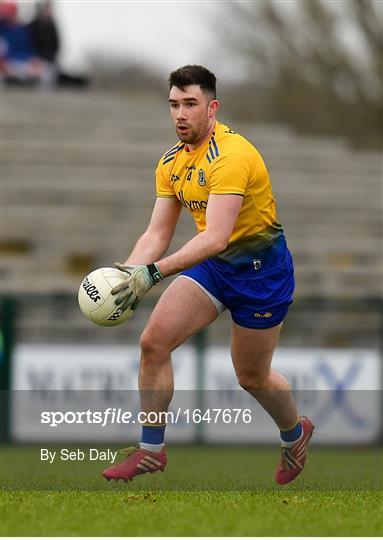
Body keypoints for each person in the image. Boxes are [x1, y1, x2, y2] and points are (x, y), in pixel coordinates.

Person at [102, 65, 314, 486]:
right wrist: (125, 274)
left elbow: (216, 236)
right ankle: (150, 451)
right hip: (215, 270)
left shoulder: (232, 156)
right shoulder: (170, 162)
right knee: (153, 343)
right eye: (174, 105)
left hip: (261, 275)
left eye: (190, 104)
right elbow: (157, 233)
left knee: (252, 376)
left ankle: (295, 433)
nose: (180, 114)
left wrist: (153, 274)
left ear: (212, 107)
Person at [28, 1, 60, 89]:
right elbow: (30, 44)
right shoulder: (32, 26)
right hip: (35, 60)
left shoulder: (52, 26)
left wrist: (49, 58)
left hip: (49, 60)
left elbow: (56, 45)